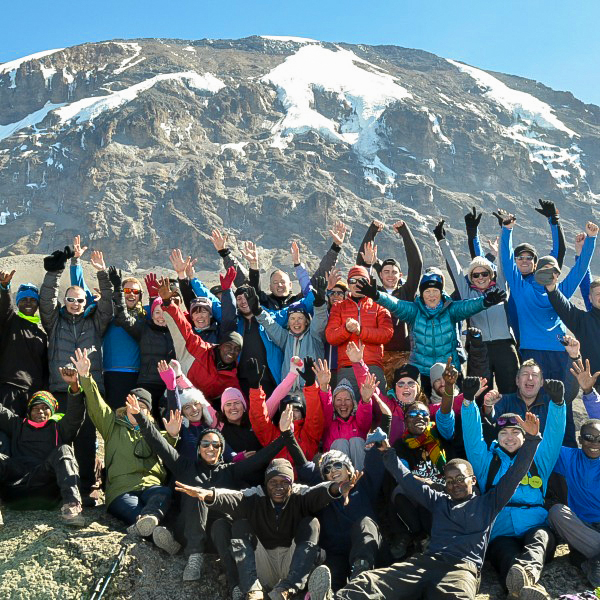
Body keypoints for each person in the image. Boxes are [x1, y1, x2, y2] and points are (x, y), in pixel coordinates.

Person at [307, 413, 543, 600]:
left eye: (461, 479)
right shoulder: (439, 500)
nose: (455, 484)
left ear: (473, 480)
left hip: (462, 569)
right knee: (372, 581)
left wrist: (531, 440)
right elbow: (407, 480)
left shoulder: (490, 502)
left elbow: (514, 474)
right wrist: (388, 453)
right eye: (449, 481)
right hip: (427, 562)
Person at [129, 393, 297, 585]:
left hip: (215, 537)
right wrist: (141, 418)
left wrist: (285, 435)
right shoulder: (185, 466)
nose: (211, 448)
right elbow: (159, 444)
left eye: (216, 445)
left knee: (218, 518)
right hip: (188, 529)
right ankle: (194, 556)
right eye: (206, 444)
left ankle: (228, 577)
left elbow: (260, 458)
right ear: (199, 448)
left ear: (221, 448)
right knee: (196, 494)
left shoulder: (230, 471)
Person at [175, 451, 361, 600]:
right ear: (266, 483)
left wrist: (337, 488)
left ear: (292, 483)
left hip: (292, 563)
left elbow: (318, 493)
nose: (279, 487)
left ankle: (288, 590)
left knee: (311, 523)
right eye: (273, 482)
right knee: (239, 526)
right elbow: (233, 497)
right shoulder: (256, 496)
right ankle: (252, 591)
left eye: (284, 482)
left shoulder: (299, 495)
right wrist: (207, 494)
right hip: (262, 565)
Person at [462, 376, 565, 599]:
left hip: (535, 521)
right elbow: (472, 436)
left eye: (515, 432)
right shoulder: (486, 461)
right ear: (497, 438)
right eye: (503, 433)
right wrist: (469, 402)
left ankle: (523, 580)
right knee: (504, 555)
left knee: (539, 542)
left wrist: (558, 405)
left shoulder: (538, 459)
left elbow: (554, 438)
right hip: (499, 528)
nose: (509, 438)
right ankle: (522, 586)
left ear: (524, 434)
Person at [287, 398, 392, 592]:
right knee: (329, 577)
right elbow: (301, 462)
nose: (333, 470)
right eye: (327, 469)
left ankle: (361, 577)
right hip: (336, 555)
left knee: (365, 523)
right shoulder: (323, 491)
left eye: (338, 465)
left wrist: (380, 408)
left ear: (349, 469)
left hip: (368, 552)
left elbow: (382, 439)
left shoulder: (364, 483)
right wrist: (287, 432)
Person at [70, 348, 175, 538]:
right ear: (125, 407)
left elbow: (170, 453)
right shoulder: (112, 425)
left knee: (164, 493)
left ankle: (149, 526)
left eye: (142, 407)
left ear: (149, 412)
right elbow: (96, 404)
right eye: (133, 406)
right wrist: (85, 376)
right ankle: (155, 530)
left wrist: (173, 435)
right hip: (121, 490)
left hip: (151, 486)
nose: (136, 410)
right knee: (138, 514)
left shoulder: (154, 432)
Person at [39, 245, 113, 505]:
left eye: (80, 300)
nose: (74, 303)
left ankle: (89, 485)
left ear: (85, 302)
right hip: (60, 388)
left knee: (87, 436)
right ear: (65, 301)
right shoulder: (54, 323)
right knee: (61, 436)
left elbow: (107, 304)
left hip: (90, 388)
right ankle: (61, 485)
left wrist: (102, 273)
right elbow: (46, 301)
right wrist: (54, 272)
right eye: (70, 299)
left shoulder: (95, 323)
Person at [356, 268, 506, 393]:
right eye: (427, 291)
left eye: (435, 290)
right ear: (422, 293)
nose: (432, 295)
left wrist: (485, 301)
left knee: (452, 409)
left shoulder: (451, 309)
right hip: (422, 373)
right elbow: (395, 304)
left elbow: (468, 306)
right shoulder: (414, 311)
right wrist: (376, 295)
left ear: (441, 292)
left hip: (449, 372)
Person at [498, 210, 597, 382]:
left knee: (534, 397)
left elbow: (507, 262)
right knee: (560, 399)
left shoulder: (522, 289)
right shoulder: (560, 291)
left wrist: (507, 229)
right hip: (558, 351)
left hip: (534, 350)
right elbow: (580, 269)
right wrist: (591, 239)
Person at [435, 219, 518, 393]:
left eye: (484, 273)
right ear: (471, 278)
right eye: (475, 275)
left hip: (505, 347)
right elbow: (455, 268)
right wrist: (442, 240)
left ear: (491, 274)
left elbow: (504, 260)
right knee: (479, 394)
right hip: (479, 349)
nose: (480, 277)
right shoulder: (467, 293)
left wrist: (505, 229)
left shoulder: (501, 286)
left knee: (509, 391)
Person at [0, 367, 85, 526]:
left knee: (65, 450)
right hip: (16, 488)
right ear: (29, 411)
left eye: (45, 408)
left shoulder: (59, 428)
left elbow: (75, 416)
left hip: (46, 488)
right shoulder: (17, 425)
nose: (40, 411)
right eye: (36, 408)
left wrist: (74, 386)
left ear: (52, 411)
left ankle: (72, 507)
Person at [391, 358, 458, 556]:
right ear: (405, 422)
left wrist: (449, 387)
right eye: (413, 415)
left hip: (444, 489)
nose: (419, 417)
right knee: (398, 492)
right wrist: (427, 483)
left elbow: (445, 411)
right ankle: (420, 538)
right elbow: (401, 474)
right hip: (418, 490)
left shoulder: (439, 433)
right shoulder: (401, 445)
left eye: (423, 414)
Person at [547, 359, 600, 589]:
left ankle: (590, 560)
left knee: (583, 554)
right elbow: (546, 448)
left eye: (599, 439)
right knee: (556, 512)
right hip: (584, 528)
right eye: (588, 438)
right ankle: (592, 559)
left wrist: (588, 391)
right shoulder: (569, 458)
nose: (594, 442)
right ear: (580, 439)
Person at [356, 219, 423, 386]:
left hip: (403, 354)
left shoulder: (406, 292)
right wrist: (371, 231)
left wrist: (404, 232)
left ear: (400, 275)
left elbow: (416, 264)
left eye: (394, 272)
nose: (390, 275)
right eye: (386, 272)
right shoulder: (373, 292)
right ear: (380, 275)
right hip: (376, 353)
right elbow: (361, 264)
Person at [158, 279, 243, 402]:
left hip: (206, 410)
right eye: (228, 346)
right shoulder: (199, 348)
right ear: (219, 346)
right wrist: (167, 303)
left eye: (237, 349)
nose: (231, 351)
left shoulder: (232, 376)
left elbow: (238, 402)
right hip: (181, 399)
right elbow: (182, 326)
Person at [111, 270, 175, 416]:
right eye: (156, 313)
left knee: (166, 425)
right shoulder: (143, 330)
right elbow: (123, 317)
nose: (160, 316)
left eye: (164, 313)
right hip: (147, 384)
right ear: (151, 314)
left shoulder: (176, 332)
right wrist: (118, 290)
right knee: (143, 422)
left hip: (169, 385)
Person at [325, 265, 393, 396]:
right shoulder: (338, 307)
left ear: (367, 283)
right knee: (347, 409)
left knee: (377, 408)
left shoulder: (379, 305)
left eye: (361, 281)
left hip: (373, 366)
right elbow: (331, 337)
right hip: (347, 367)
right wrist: (346, 329)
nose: (356, 284)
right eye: (352, 281)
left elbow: (387, 334)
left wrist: (360, 330)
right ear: (348, 285)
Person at [483, 359, 576, 447]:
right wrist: (488, 405)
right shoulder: (505, 400)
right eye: (525, 374)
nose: (530, 378)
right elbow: (490, 420)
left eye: (535, 375)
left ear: (541, 382)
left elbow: (569, 394)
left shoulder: (550, 402)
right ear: (517, 381)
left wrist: (574, 357)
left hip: (541, 457)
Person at [248, 357, 324, 463]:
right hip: (279, 478)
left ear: (302, 414)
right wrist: (255, 388)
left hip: (305, 478)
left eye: (296, 410)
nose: (291, 414)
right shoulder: (272, 436)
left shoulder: (309, 435)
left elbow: (315, 416)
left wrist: (311, 384)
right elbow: (259, 419)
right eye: (287, 410)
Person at [0, 270, 48, 416]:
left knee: (27, 435)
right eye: (24, 299)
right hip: (9, 389)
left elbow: (44, 367)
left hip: (33, 395)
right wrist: (4, 288)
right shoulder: (10, 322)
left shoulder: (41, 334)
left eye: (32, 300)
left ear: (38, 304)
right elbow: (5, 308)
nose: (28, 302)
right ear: (18, 302)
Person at [314, 357, 374, 470]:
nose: (343, 404)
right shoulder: (329, 423)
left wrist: (366, 400)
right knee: (340, 443)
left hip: (359, 468)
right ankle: (341, 483)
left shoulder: (359, 423)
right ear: (333, 402)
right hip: (334, 470)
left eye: (347, 400)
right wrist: (323, 387)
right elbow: (325, 406)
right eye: (338, 400)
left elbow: (365, 417)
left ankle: (361, 482)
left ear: (353, 402)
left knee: (356, 441)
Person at [546, 276, 600, 387]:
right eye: (598, 294)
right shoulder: (583, 321)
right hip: (595, 389)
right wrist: (552, 288)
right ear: (590, 298)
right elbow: (565, 307)